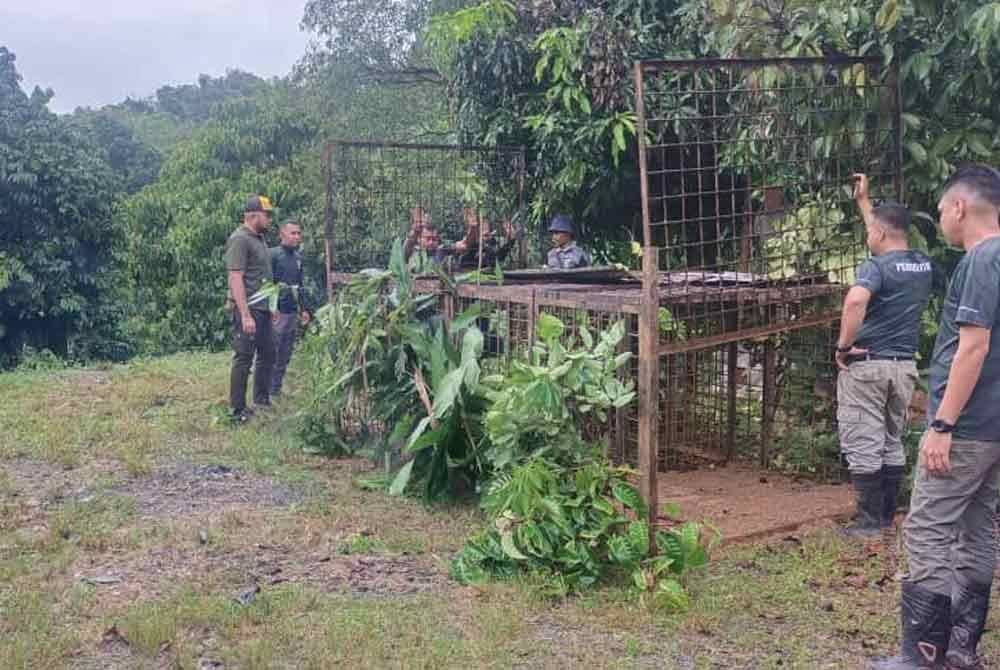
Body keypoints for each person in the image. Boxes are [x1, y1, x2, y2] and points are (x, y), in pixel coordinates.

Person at [873, 165, 1000, 670]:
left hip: (966, 428)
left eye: (945, 208)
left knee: (927, 529)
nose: (943, 218)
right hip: (994, 427)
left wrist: (942, 424)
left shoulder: (981, 260)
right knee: (978, 528)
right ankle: (960, 650)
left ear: (960, 208)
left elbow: (973, 348)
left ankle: (921, 656)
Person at [834, 174, 932, 539]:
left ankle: (867, 524)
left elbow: (856, 300)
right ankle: (888, 515)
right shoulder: (921, 265)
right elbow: (883, 238)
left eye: (869, 231)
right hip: (903, 367)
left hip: (868, 364)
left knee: (864, 440)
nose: (867, 236)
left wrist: (843, 347)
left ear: (879, 234)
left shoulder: (874, 269)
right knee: (891, 439)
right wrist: (865, 202)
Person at [225, 195, 276, 423]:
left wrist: (271, 306)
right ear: (253, 215)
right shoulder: (240, 239)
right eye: (267, 215)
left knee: (268, 353)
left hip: (264, 308)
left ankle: (261, 400)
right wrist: (245, 314)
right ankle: (237, 410)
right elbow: (236, 278)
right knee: (244, 357)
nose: (270, 219)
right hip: (249, 309)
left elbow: (263, 277)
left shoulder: (260, 239)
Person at [269, 219, 314, 398]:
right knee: (273, 351)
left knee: (286, 351)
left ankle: (276, 389)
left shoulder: (298, 258)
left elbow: (299, 285)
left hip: (292, 311)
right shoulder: (272, 255)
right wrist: (271, 308)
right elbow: (265, 283)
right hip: (277, 312)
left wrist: (304, 309)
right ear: (282, 235)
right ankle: (264, 390)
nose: (297, 237)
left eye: (298, 233)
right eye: (293, 233)